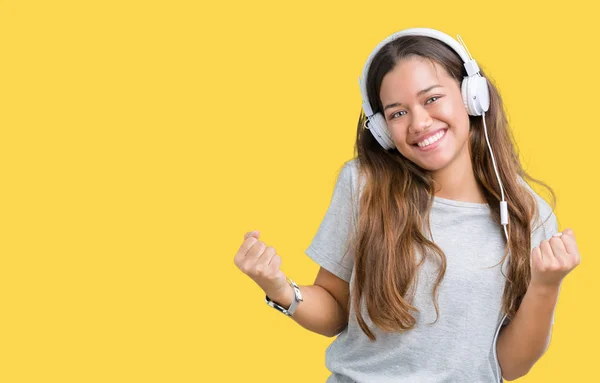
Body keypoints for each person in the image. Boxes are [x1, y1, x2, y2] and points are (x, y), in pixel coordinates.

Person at [233, 28, 581, 382]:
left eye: (431, 99)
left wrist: (545, 285)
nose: (419, 123)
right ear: (383, 128)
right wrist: (279, 288)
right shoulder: (365, 185)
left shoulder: (526, 213)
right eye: (398, 113)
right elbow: (336, 311)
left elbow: (510, 366)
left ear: (472, 96)